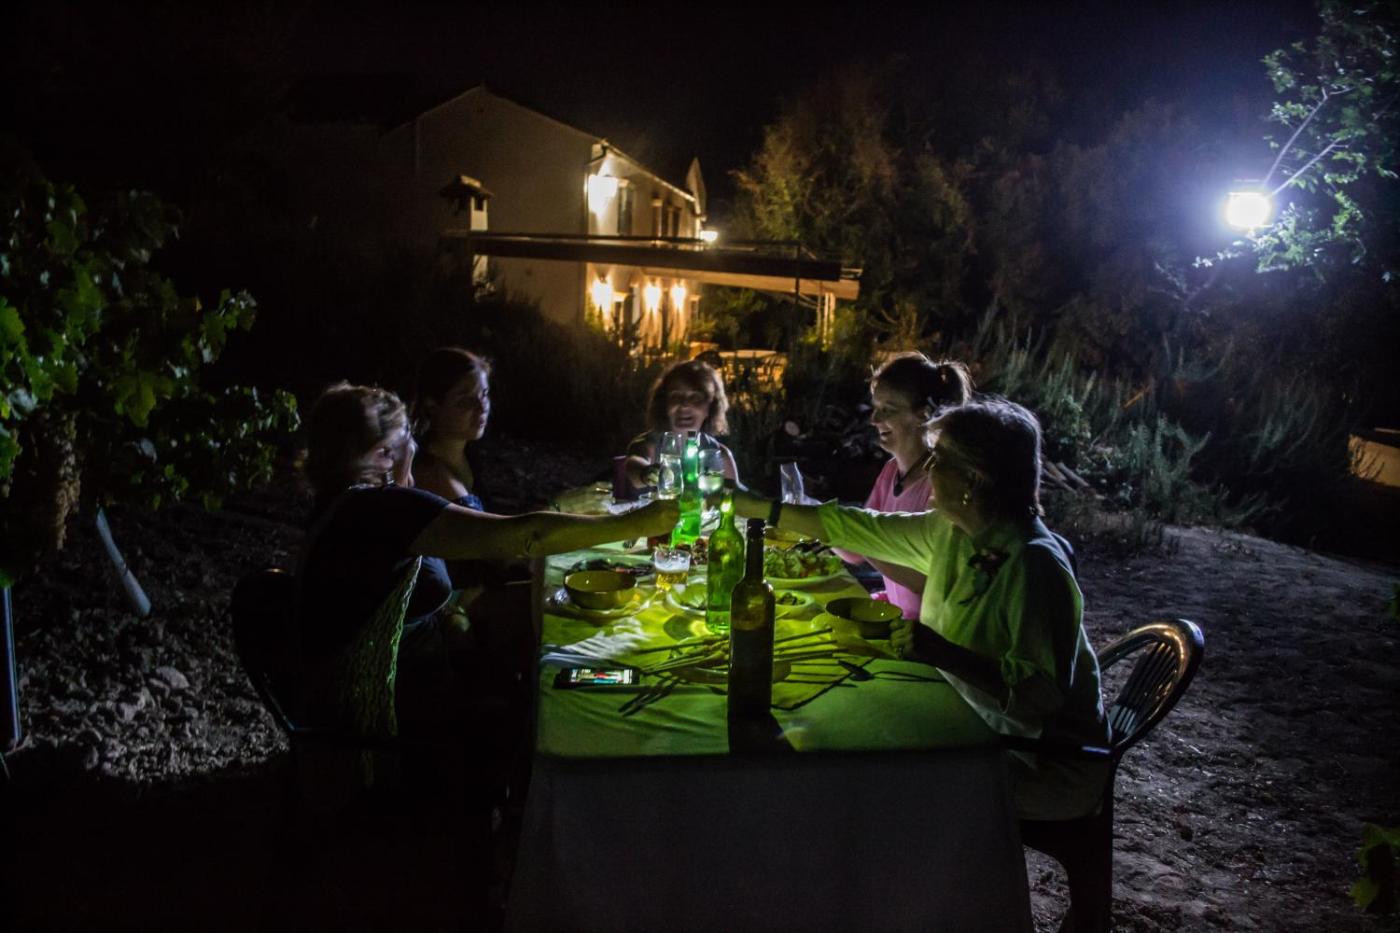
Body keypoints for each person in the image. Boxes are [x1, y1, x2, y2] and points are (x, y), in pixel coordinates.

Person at [734, 397, 1109, 822]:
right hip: (967, 717)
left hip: (1039, 762)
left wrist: (941, 651)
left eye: (940, 459)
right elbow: (858, 527)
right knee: (843, 716)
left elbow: (1040, 697)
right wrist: (756, 507)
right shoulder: (953, 531)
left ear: (973, 478)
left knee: (863, 762)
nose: (928, 470)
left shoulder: (1034, 563)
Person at [298, 382, 678, 735]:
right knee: (569, 696)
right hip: (394, 721)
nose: (414, 446)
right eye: (406, 439)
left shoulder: (341, 507)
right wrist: (637, 523)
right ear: (383, 454)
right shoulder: (381, 510)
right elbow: (526, 537)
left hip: (412, 684)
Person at [831, 353, 973, 619]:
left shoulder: (943, 481)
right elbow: (854, 552)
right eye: (875, 407)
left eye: (888, 410)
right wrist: (813, 519)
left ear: (924, 415)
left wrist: (858, 536)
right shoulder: (890, 472)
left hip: (929, 634)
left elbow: (924, 580)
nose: (874, 419)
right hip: (898, 618)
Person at [624, 359, 739, 490]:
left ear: (711, 407)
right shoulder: (649, 445)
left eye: (695, 397)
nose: (684, 404)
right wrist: (648, 474)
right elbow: (633, 466)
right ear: (664, 404)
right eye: (676, 397)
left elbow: (736, 493)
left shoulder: (719, 454)